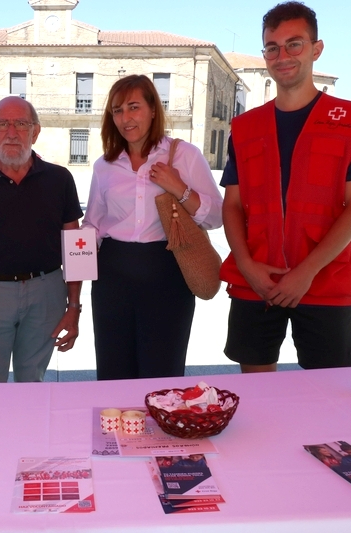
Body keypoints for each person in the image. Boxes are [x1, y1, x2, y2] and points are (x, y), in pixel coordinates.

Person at [219, 2, 351, 373]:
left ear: (316, 48)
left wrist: (306, 272)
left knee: (330, 396)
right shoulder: (243, 128)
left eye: (294, 44)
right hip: (257, 279)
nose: (283, 55)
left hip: (325, 280)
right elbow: (232, 205)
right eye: (272, 47)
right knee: (257, 395)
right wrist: (245, 265)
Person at [82, 75, 223, 380]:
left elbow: (216, 217)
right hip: (111, 278)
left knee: (162, 371)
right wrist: (72, 262)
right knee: (113, 369)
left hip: (166, 274)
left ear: (153, 110)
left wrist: (180, 188)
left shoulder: (184, 155)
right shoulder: (104, 165)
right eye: (117, 110)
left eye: (134, 107)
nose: (125, 118)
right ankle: (118, 428)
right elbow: (93, 224)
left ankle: (160, 429)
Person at [0, 96, 83, 383]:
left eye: (21, 124)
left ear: (36, 131)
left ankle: (28, 429)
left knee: (32, 382)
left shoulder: (60, 179)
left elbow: (75, 247)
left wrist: (74, 307)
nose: (11, 132)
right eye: (2, 124)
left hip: (46, 294)